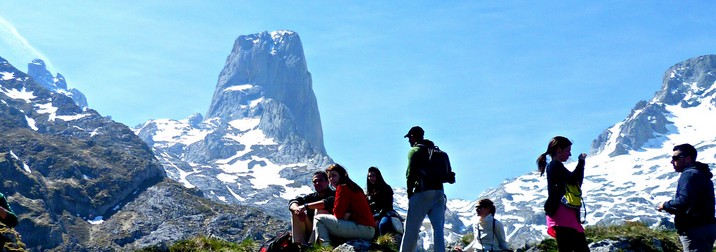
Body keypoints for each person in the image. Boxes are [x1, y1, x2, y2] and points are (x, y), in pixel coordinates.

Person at [657, 144, 716, 251]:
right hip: (706, 228)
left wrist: (665, 205)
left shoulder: (689, 175)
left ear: (687, 159)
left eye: (675, 158)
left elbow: (683, 202)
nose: (672, 162)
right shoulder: (702, 174)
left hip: (694, 230)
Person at [536, 136, 589, 252]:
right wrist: (581, 162)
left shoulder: (555, 166)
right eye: (568, 151)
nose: (569, 155)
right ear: (559, 150)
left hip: (564, 216)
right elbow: (575, 180)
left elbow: (575, 181)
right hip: (563, 215)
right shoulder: (555, 165)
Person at [400, 126, 447, 252]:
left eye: (409, 138)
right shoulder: (436, 151)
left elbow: (410, 175)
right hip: (439, 193)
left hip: (421, 193)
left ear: (413, 137)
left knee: (411, 229)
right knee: (438, 230)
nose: (409, 141)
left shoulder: (414, 151)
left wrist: (410, 194)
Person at [311, 164, 376, 244]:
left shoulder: (342, 187)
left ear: (341, 175)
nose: (331, 179)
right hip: (368, 229)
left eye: (334, 175)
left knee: (319, 218)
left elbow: (338, 214)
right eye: (329, 177)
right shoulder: (352, 186)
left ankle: (325, 247)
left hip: (362, 228)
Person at [288, 171, 335, 245]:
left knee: (320, 211)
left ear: (327, 182)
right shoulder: (312, 197)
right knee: (296, 212)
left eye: (320, 180)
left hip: (330, 230)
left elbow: (325, 203)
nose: (317, 183)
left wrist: (305, 206)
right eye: (315, 181)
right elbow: (293, 202)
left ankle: (313, 244)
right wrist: (297, 209)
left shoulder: (334, 195)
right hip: (312, 229)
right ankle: (300, 244)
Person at [366, 166, 399, 236]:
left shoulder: (386, 189)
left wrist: (378, 218)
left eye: (373, 176)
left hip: (386, 214)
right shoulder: (368, 193)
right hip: (373, 215)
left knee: (383, 225)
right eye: (369, 176)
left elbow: (387, 206)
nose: (371, 178)